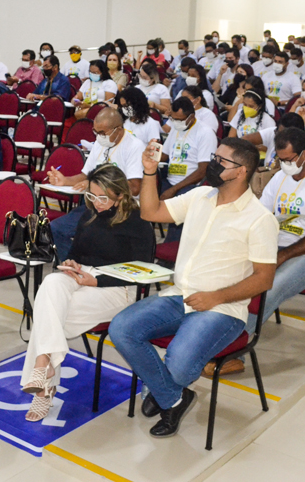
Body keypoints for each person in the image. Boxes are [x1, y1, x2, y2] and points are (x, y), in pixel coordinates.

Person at [109, 138, 278, 436]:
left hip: (222, 309)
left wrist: (216, 297)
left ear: (240, 171)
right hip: (180, 296)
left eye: (220, 161)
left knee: (180, 364)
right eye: (213, 156)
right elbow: (151, 212)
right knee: (122, 328)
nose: (212, 164)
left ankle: (161, 390)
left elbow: (264, 279)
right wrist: (149, 172)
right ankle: (174, 397)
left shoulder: (260, 218)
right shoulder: (200, 195)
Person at [20, 164, 155, 421]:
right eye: (91, 196)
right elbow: (77, 252)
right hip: (84, 275)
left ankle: (43, 383)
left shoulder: (139, 222)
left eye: (103, 198)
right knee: (51, 284)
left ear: (121, 195)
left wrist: (98, 280)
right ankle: (43, 368)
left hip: (118, 286)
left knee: (48, 316)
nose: (97, 203)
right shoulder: (90, 213)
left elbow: (141, 272)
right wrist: (70, 264)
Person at [212, 127, 305, 376]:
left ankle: (233, 352)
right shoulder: (280, 177)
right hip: (274, 246)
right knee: (230, 274)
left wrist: (282, 255)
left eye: (289, 159)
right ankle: (215, 335)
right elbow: (260, 215)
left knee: (267, 288)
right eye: (280, 159)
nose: (284, 164)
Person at [48, 107, 144, 261]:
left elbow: (134, 187)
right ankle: (74, 265)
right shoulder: (100, 143)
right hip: (95, 206)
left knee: (93, 236)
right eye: (96, 132)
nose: (99, 137)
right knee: (55, 228)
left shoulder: (135, 146)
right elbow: (84, 176)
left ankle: (88, 266)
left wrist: (97, 184)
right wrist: (65, 180)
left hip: (119, 208)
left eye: (102, 133)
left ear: (118, 130)